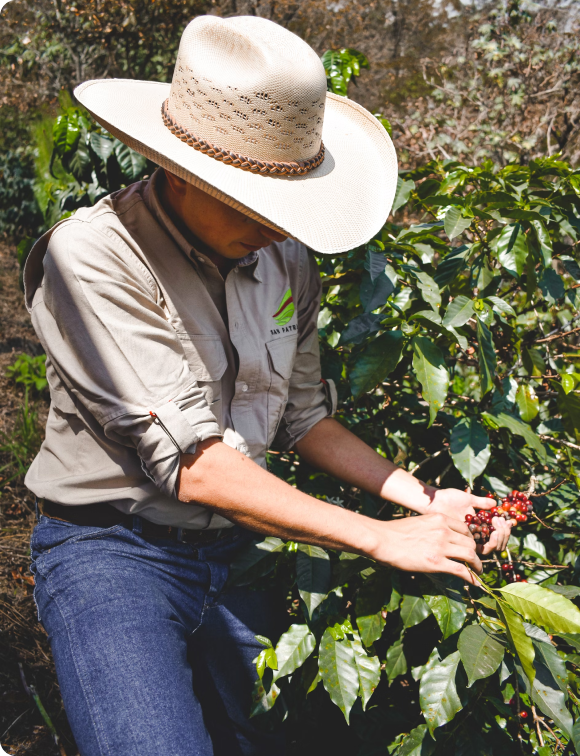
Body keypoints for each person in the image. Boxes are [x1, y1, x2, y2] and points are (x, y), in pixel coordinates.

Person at [23, 14, 511, 756]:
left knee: (268, 738)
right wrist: (381, 539)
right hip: (111, 550)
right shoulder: (93, 257)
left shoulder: (284, 260)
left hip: (237, 547)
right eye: (249, 203)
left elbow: (302, 418)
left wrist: (421, 497)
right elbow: (193, 463)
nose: (275, 227)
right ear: (181, 169)